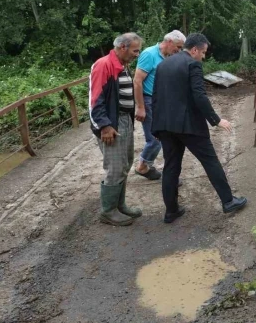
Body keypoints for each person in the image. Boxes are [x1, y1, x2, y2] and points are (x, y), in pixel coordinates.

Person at [151, 33, 247, 223]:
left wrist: (156, 127)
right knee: (210, 161)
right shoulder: (192, 64)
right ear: (194, 50)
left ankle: (171, 211)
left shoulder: (163, 64)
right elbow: (199, 96)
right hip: (188, 125)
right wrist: (216, 120)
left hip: (165, 126)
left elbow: (156, 97)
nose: (203, 56)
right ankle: (228, 201)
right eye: (203, 52)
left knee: (171, 167)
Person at [89, 32, 143, 226]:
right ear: (123, 48)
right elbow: (95, 99)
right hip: (112, 123)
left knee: (125, 164)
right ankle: (108, 211)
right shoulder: (104, 65)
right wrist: (104, 126)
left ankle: (120, 205)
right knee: (115, 167)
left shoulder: (122, 65)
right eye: (135, 51)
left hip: (123, 121)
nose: (137, 54)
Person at [133, 30, 186, 180]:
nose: (179, 50)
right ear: (169, 42)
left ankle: (145, 165)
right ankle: (142, 167)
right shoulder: (149, 54)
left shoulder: (167, 57)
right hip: (149, 101)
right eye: (178, 46)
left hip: (161, 102)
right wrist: (141, 107)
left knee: (163, 136)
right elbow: (137, 81)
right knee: (155, 139)